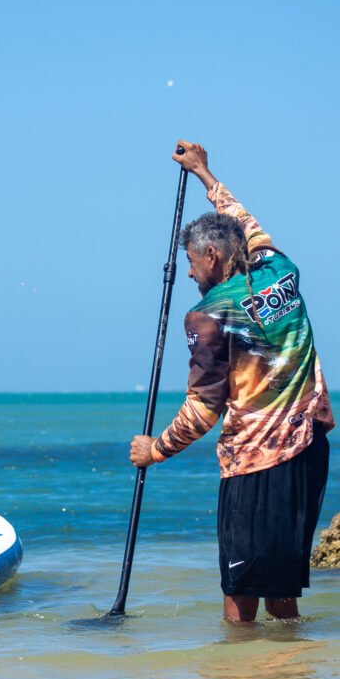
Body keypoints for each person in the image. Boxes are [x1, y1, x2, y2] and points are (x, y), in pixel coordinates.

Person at [130, 140, 334, 622]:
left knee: (239, 595)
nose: (190, 273)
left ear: (215, 257)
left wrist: (154, 450)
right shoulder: (282, 270)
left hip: (254, 463)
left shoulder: (208, 316)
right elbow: (247, 221)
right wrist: (204, 175)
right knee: (282, 591)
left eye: (194, 263)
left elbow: (203, 409)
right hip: (308, 450)